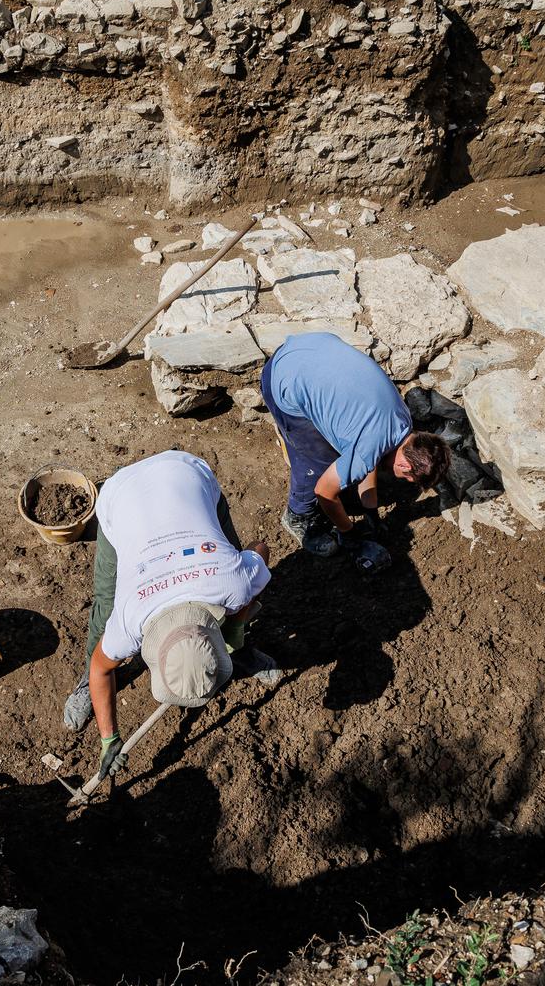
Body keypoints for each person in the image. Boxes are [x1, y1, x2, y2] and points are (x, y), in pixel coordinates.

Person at [62, 450, 276, 784]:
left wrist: (236, 626)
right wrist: (108, 738)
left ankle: (241, 647)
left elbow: (260, 551)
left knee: (234, 568)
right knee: (105, 605)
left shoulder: (232, 579)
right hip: (121, 499)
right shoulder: (128, 619)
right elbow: (101, 668)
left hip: (187, 476)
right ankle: (86, 690)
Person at [259, 331, 451, 572]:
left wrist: (371, 512)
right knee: (318, 466)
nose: (399, 478)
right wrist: (348, 533)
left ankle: (294, 439)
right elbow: (325, 492)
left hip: (308, 349)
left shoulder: (402, 421)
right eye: (405, 478)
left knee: (340, 454)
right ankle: (297, 516)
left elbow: (371, 456)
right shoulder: (368, 448)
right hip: (279, 378)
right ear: (405, 466)